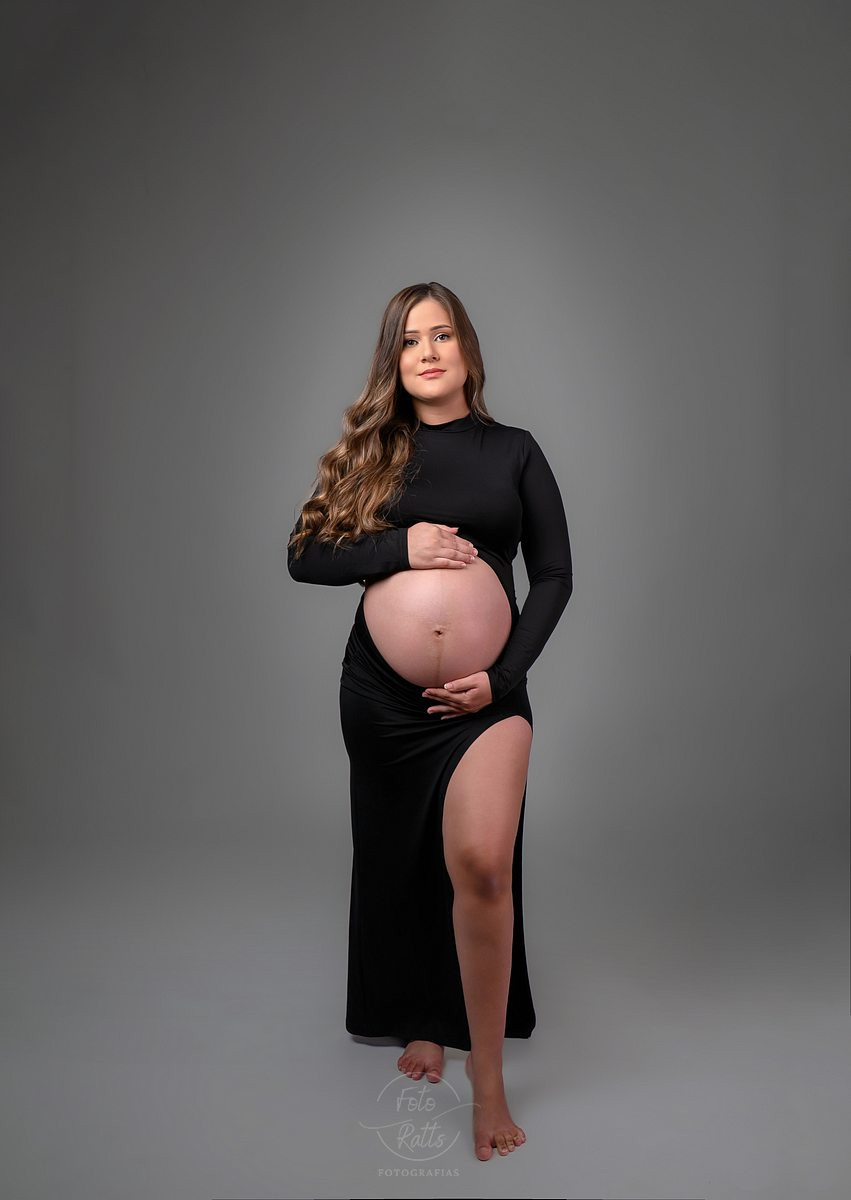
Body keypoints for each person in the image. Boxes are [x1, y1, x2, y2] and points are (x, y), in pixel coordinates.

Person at [286, 281, 573, 1161]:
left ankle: (486, 1077)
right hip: (382, 695)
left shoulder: (514, 450)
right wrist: (397, 546)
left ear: (467, 350)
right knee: (402, 858)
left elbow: (554, 575)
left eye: (442, 334)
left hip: (486, 698)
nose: (428, 352)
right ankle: (421, 1017)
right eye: (410, 341)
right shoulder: (375, 451)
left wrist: (504, 677)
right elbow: (303, 556)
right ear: (395, 362)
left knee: (481, 864)